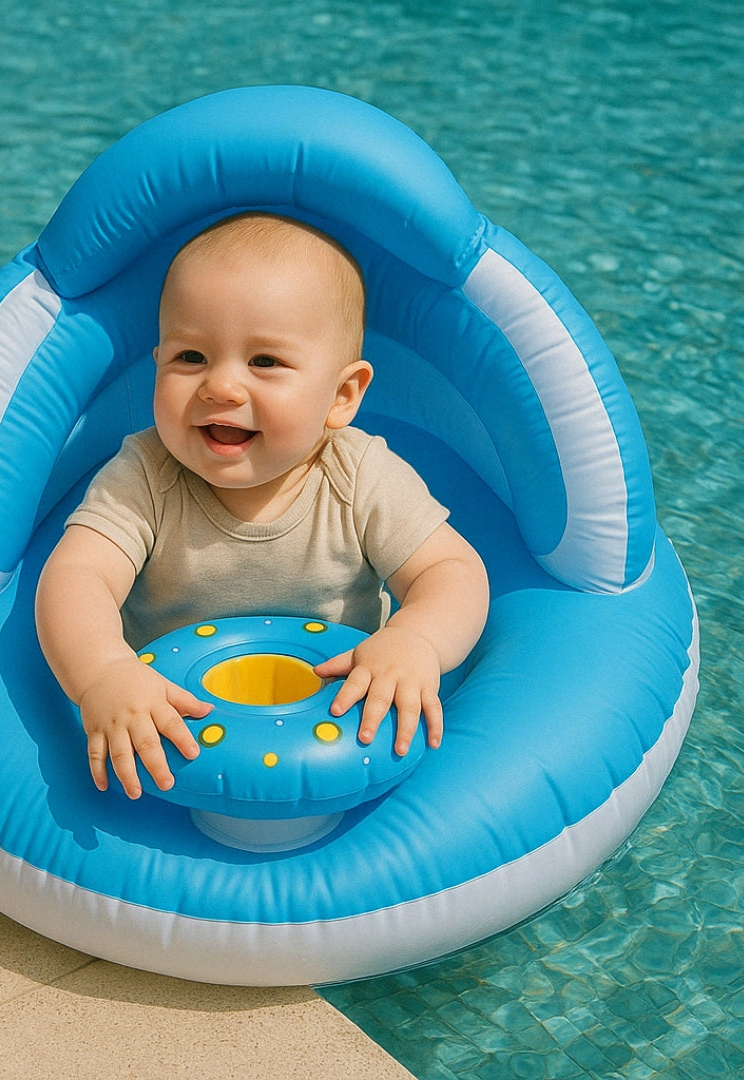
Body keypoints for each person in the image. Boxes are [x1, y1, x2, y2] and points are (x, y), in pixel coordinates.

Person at [35, 213, 489, 798]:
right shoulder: (145, 475)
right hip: (179, 732)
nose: (220, 387)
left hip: (336, 728)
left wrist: (416, 641)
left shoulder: (359, 476)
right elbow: (77, 576)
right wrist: (104, 671)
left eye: (265, 362)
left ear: (342, 394)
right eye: (190, 357)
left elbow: (451, 570)